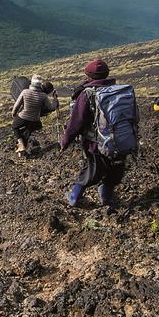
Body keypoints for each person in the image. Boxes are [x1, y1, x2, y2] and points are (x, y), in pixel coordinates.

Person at [60, 59, 136, 214]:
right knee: (115, 170)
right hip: (121, 139)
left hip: (95, 142)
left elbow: (76, 122)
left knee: (91, 171)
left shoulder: (87, 94)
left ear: (88, 76)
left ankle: (74, 197)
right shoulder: (120, 91)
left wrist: (65, 141)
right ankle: (106, 198)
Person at [11, 75, 57, 156]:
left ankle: (21, 144)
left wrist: (14, 115)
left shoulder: (25, 92)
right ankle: (22, 150)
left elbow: (16, 106)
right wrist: (55, 99)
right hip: (35, 120)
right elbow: (51, 108)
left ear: (31, 83)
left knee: (14, 126)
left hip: (23, 117)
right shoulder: (43, 96)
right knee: (28, 130)